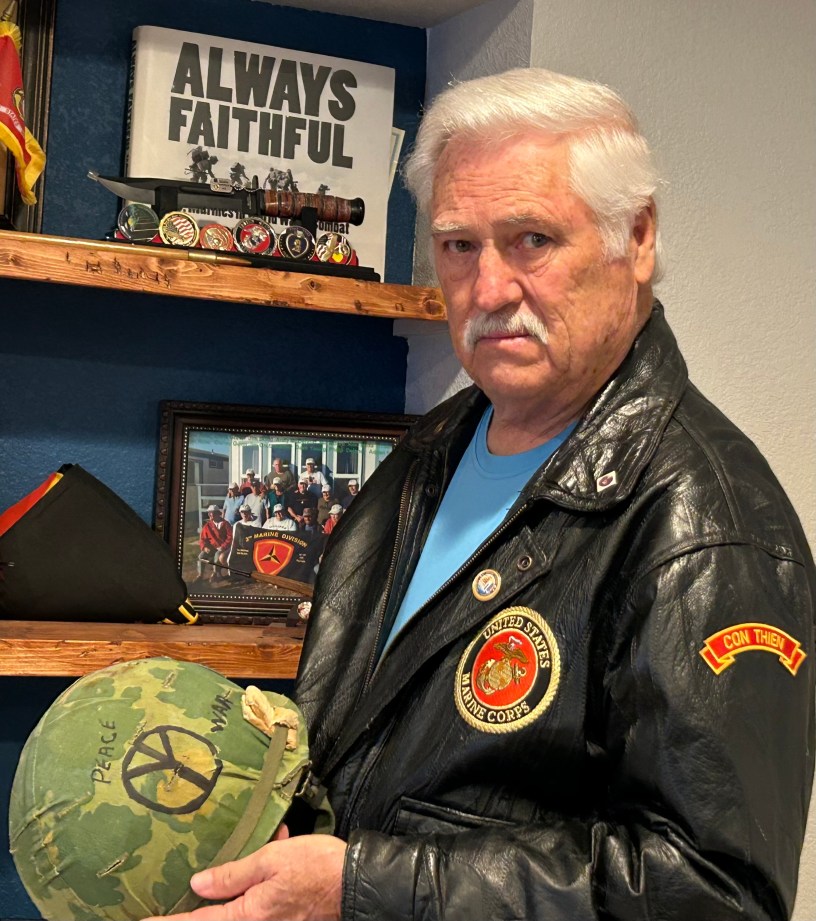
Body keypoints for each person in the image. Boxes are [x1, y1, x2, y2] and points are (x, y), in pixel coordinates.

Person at [153, 67, 815, 921]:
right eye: (460, 245)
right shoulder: (427, 451)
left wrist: (361, 889)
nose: (490, 288)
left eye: (532, 239)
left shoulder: (707, 527)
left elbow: (714, 894)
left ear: (638, 236)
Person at [196, 504, 232, 582]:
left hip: (224, 547)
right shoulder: (207, 526)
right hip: (212, 547)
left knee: (217, 555)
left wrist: (223, 546)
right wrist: (204, 547)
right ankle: (200, 575)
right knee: (201, 556)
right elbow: (202, 539)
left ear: (218, 513)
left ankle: (216, 574)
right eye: (209, 513)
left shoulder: (226, 524)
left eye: (213, 513)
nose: (211, 515)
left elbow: (230, 537)